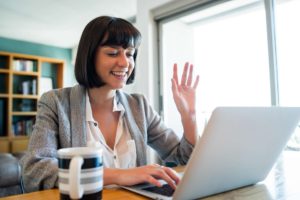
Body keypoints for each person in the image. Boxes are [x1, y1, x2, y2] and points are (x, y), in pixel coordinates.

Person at [21, 16, 200, 192]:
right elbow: (35, 171)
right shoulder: (55, 102)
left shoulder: (139, 106)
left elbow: (182, 159)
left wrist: (189, 116)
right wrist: (120, 175)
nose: (125, 62)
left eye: (130, 54)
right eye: (113, 53)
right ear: (90, 56)